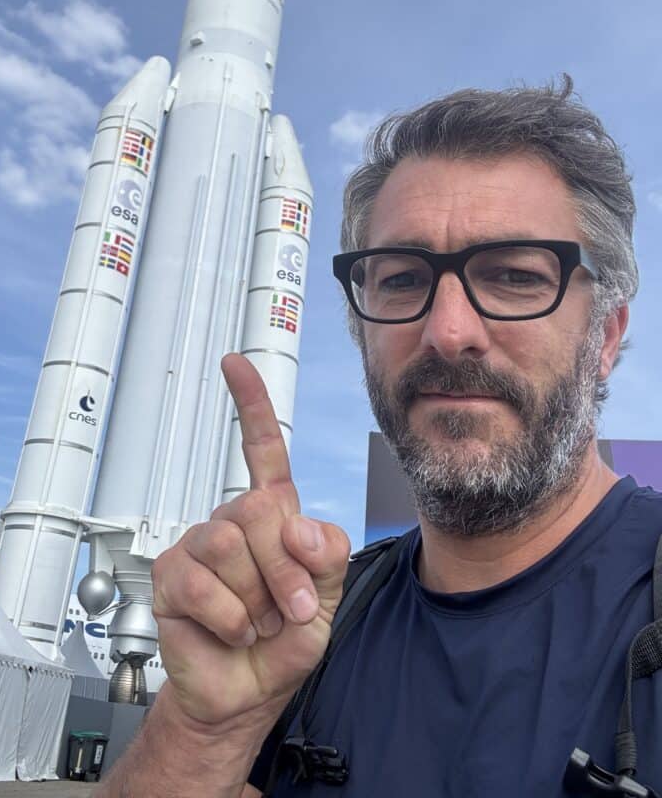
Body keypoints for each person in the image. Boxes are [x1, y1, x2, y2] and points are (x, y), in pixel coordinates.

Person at [97, 78, 662, 798]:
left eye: (515, 276)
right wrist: (202, 731)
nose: (448, 332)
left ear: (606, 336)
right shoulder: (302, 635)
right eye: (400, 279)